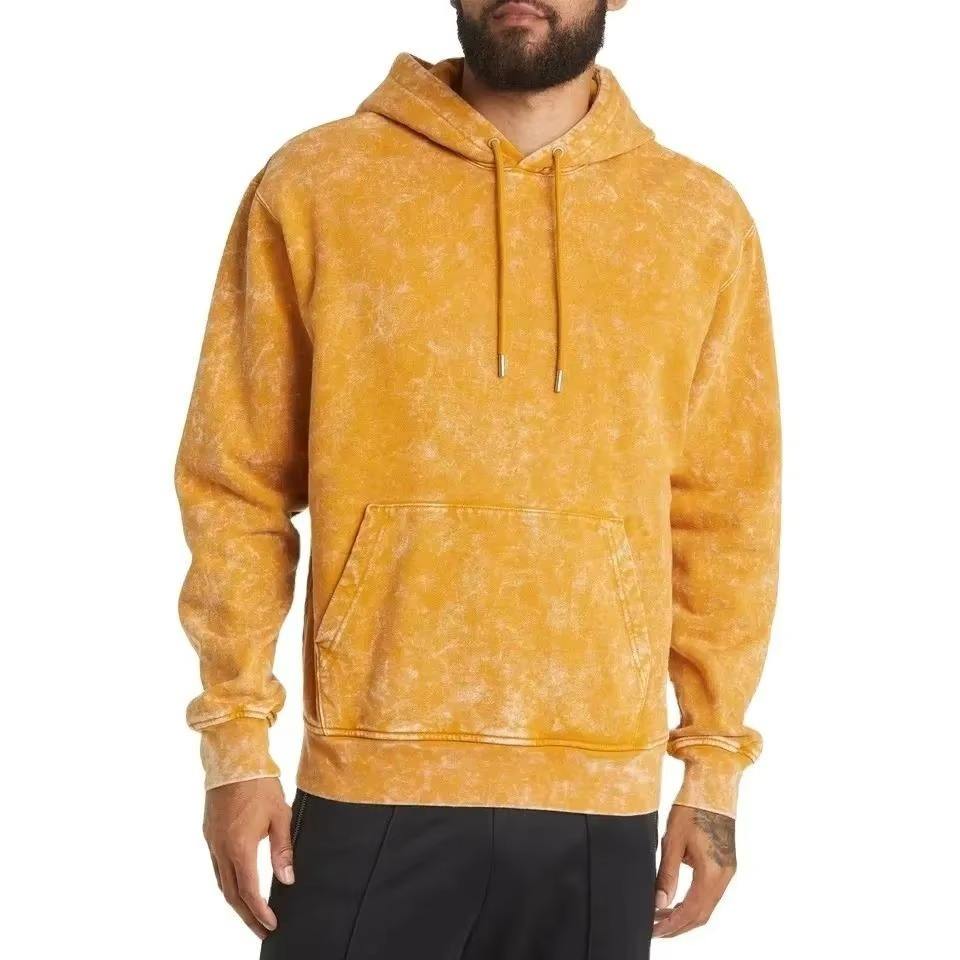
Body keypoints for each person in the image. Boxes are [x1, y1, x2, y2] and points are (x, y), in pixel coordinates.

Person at [174, 1, 781, 956]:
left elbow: (726, 515)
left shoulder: (697, 219)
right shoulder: (319, 183)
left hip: (600, 795)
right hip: (369, 775)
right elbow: (234, 482)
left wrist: (713, 770)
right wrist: (234, 745)